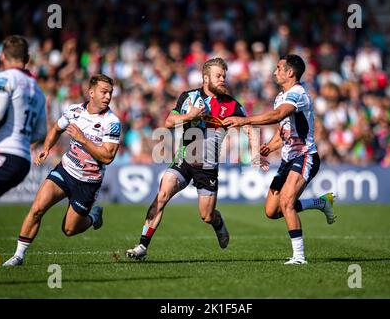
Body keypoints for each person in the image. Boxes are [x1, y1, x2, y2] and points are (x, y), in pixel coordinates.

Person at [126, 57, 267, 260]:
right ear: (205, 78)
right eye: (218, 76)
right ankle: (142, 246)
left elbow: (249, 129)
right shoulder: (188, 97)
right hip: (184, 160)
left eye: (224, 76)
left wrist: (255, 155)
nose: (222, 80)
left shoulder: (232, 105)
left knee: (206, 215)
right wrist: (189, 116)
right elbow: (168, 121)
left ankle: (218, 223)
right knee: (162, 194)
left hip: (207, 167)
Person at [223, 55, 335, 265]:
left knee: (286, 202)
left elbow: (277, 115)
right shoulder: (281, 96)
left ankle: (299, 257)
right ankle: (320, 202)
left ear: (290, 72)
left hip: (304, 156)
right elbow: (282, 130)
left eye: (278, 68)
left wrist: (244, 120)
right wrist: (270, 147)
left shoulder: (298, 94)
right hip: (287, 159)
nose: (275, 72)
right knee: (272, 211)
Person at [2, 74, 121, 266]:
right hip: (65, 170)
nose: (108, 97)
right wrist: (47, 147)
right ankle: (18, 256)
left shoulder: (112, 122)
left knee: (69, 230)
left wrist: (82, 139)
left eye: (110, 93)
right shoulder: (74, 111)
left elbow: (107, 157)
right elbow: (56, 129)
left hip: (88, 182)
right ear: (91, 92)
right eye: (104, 92)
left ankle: (92, 217)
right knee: (37, 209)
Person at [0, 35, 47, 285]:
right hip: (22, 161)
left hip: (4, 155)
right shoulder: (38, 91)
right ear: (28, 60)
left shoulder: (4, 78)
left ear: (1, 57)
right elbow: (40, 133)